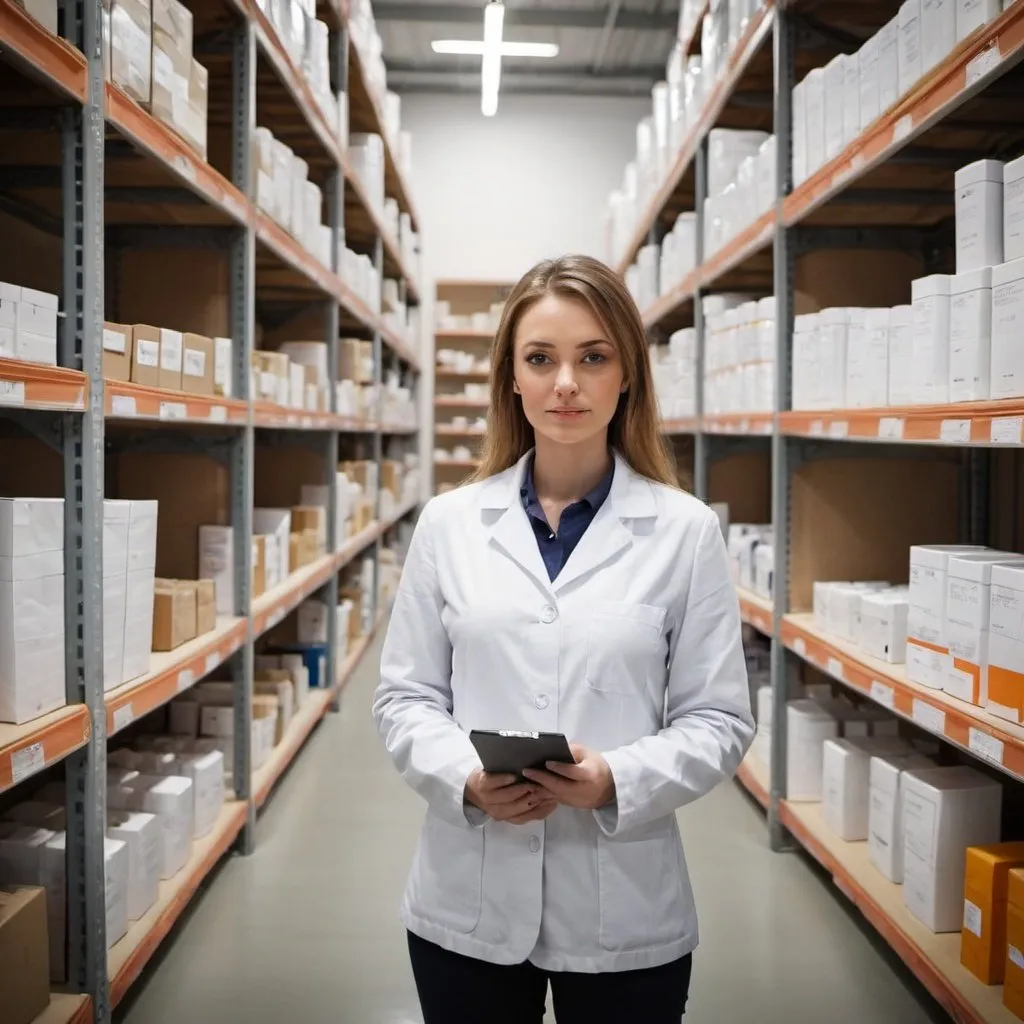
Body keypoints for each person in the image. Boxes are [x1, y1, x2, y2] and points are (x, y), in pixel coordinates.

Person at [373, 254, 754, 1024]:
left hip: (626, 913)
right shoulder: (449, 525)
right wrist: (468, 781)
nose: (566, 383)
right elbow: (405, 699)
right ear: (511, 378)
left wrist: (618, 777)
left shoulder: (685, 532)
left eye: (593, 357)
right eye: (540, 359)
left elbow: (720, 720)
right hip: (466, 903)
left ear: (628, 376)